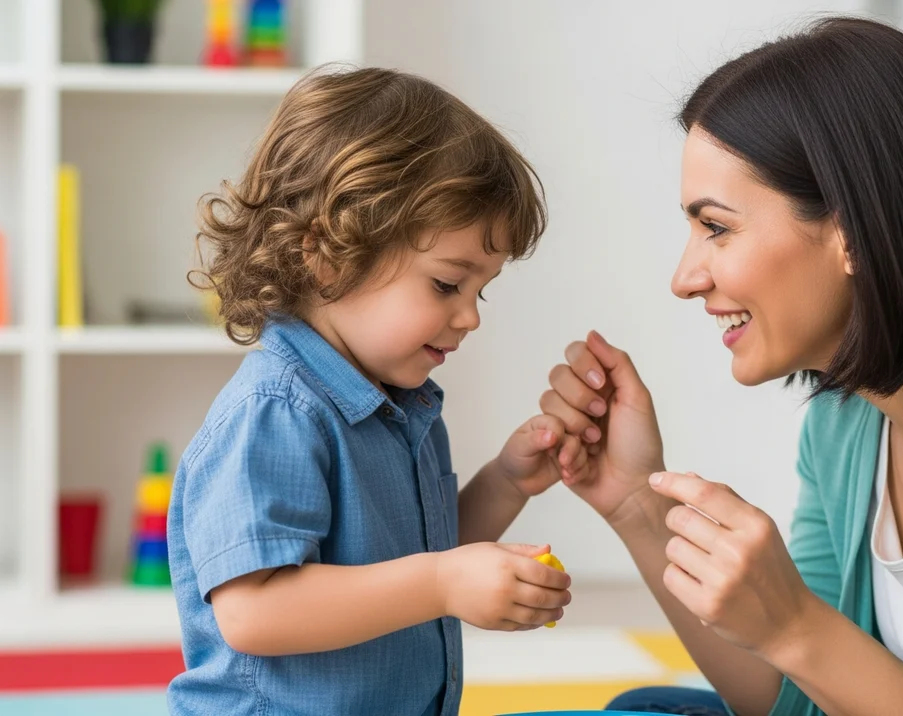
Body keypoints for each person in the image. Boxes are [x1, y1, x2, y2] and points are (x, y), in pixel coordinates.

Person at [542, 16, 903, 715]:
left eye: (716, 228)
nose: (684, 278)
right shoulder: (844, 424)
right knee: (649, 706)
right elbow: (797, 703)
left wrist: (797, 626)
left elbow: (810, 651)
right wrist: (636, 500)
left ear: (854, 231)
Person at [166, 66, 588, 716]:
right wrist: (444, 583)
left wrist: (507, 481)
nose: (471, 315)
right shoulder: (276, 410)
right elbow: (253, 613)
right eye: (448, 284)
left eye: (482, 289)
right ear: (327, 254)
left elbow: (418, 557)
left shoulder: (402, 405)